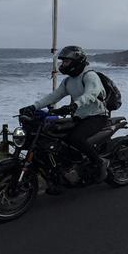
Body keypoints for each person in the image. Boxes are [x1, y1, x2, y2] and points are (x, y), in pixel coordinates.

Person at [22, 45, 109, 183]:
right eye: (62, 62)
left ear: (76, 61)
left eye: (66, 62)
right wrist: (33, 106)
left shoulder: (89, 76)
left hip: (97, 116)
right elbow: (54, 96)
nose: (63, 65)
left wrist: (75, 105)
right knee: (58, 138)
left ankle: (98, 163)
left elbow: (91, 94)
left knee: (76, 138)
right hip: (79, 117)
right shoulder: (68, 81)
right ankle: (70, 168)